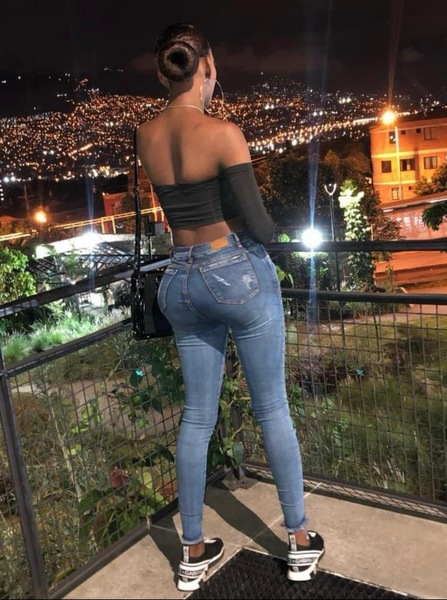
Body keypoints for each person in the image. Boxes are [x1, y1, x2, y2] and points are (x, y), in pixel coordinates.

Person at [136, 22, 324, 592]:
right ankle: (299, 540)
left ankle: (192, 550)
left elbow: (184, 207)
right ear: (208, 66)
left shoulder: (145, 134)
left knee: (197, 417)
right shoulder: (223, 132)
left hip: (179, 280)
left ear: (164, 73)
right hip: (232, 272)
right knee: (273, 408)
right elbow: (259, 225)